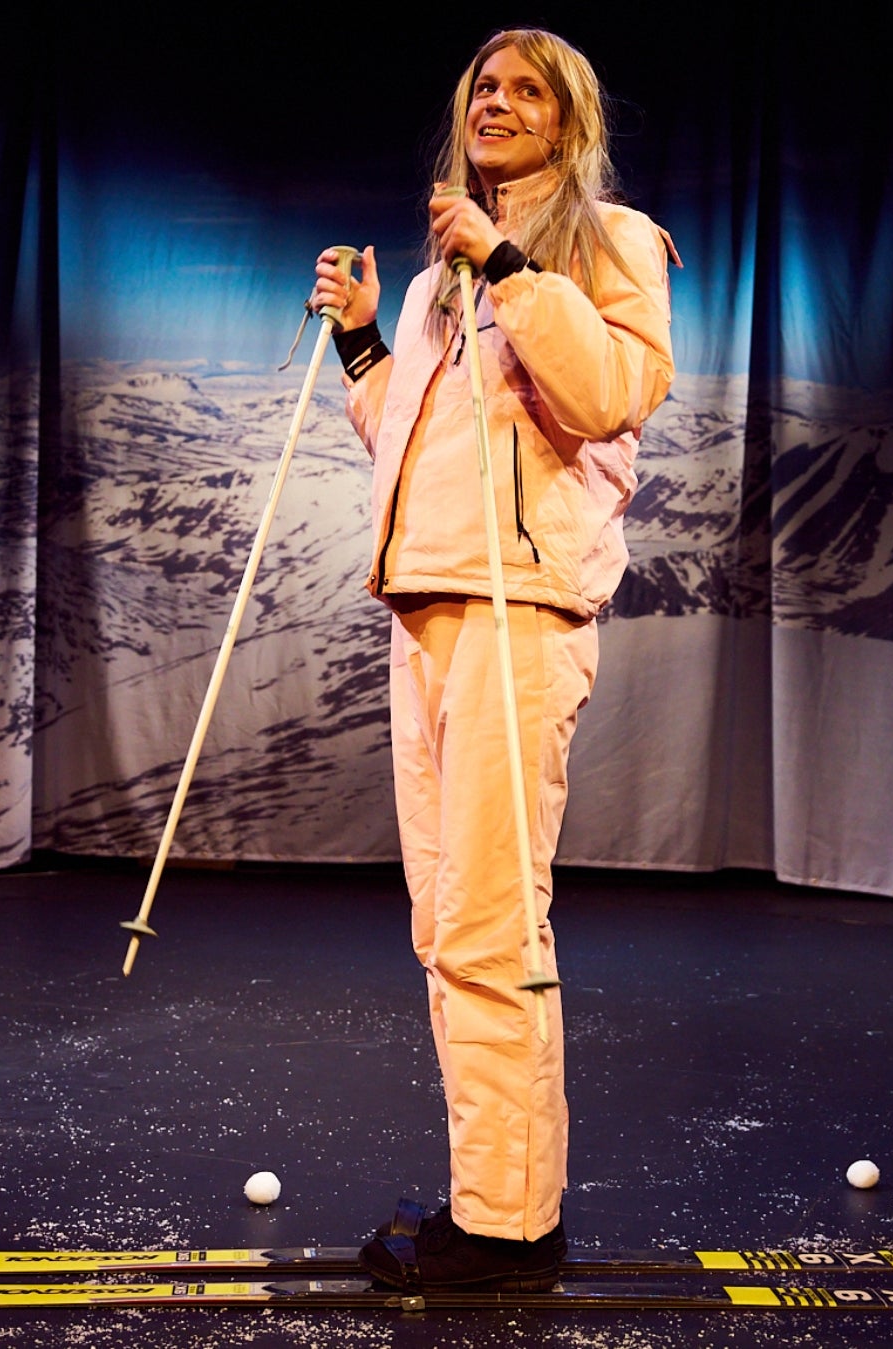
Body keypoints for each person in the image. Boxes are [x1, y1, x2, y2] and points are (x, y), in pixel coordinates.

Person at [308, 26, 675, 1293]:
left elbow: (607, 393)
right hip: (429, 609)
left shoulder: (607, 244)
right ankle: (498, 1199)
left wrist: (509, 259)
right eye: (482, 89)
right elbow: (419, 441)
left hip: (521, 613)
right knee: (448, 922)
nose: (497, 104)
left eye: (526, 91)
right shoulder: (434, 283)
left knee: (489, 920)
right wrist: (367, 338)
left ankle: (509, 1226)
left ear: (569, 121)